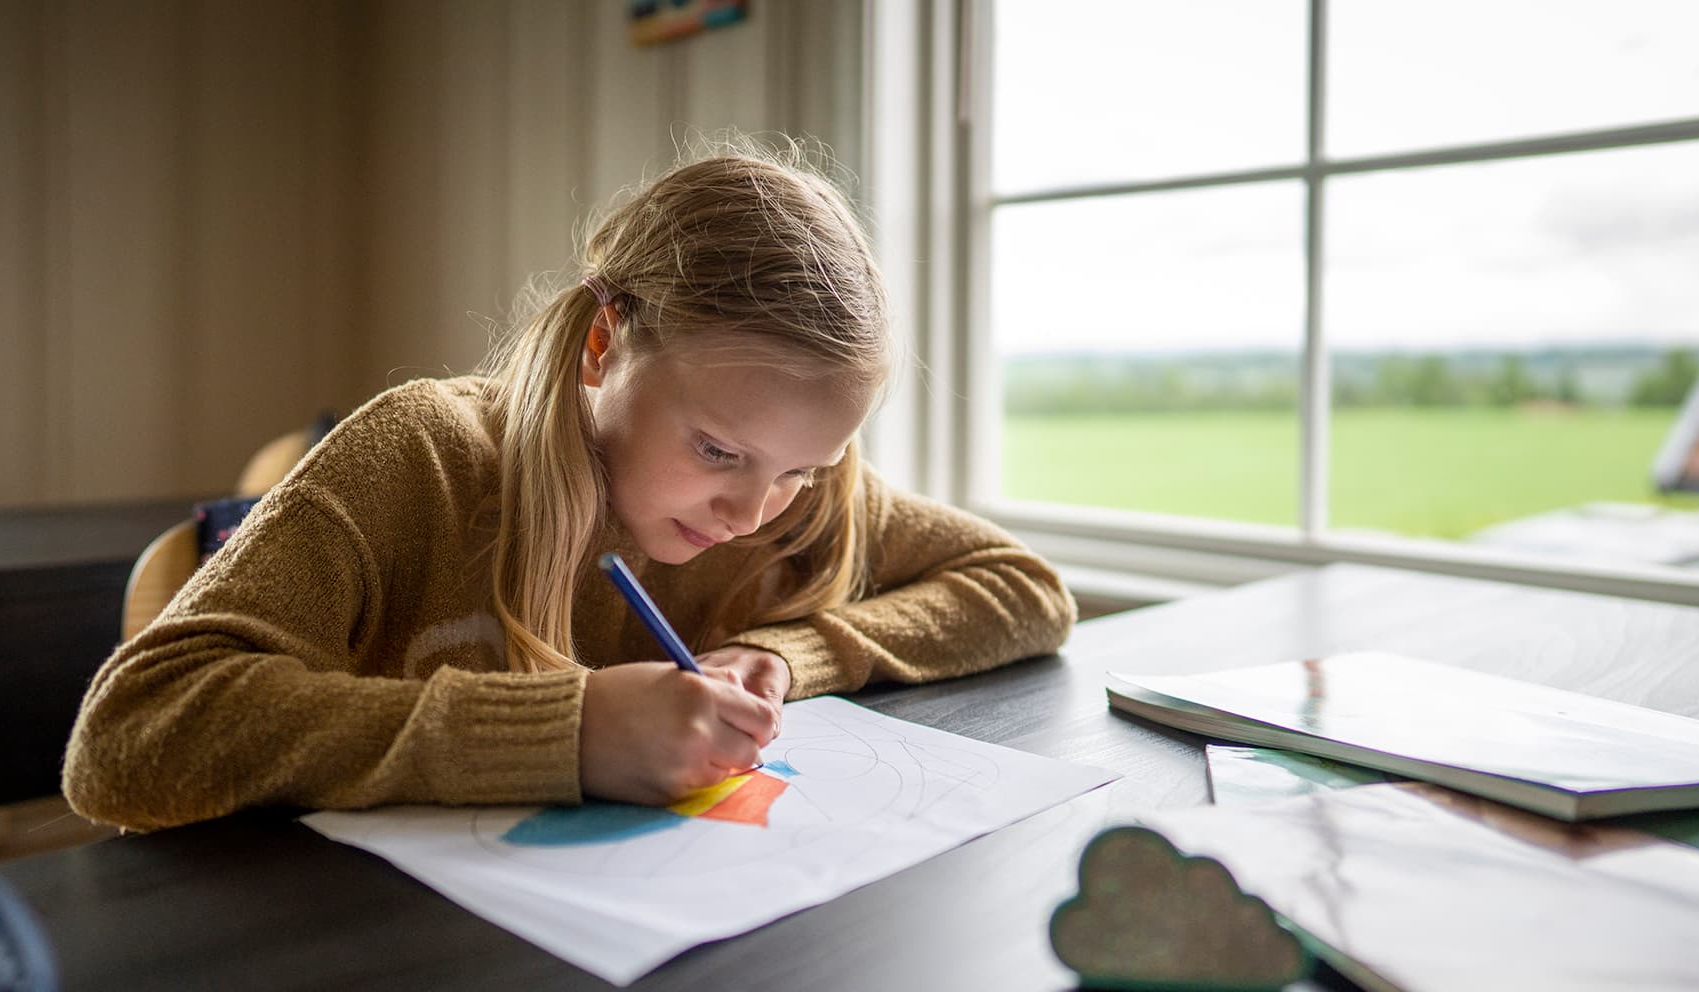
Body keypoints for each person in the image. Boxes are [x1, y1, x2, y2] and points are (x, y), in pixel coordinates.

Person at [63, 143, 1075, 832]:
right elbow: (130, 738)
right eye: (718, 452)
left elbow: (1024, 587)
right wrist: (565, 733)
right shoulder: (419, 457)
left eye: (801, 469)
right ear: (603, 345)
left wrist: (783, 651)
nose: (753, 513)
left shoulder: (803, 499)